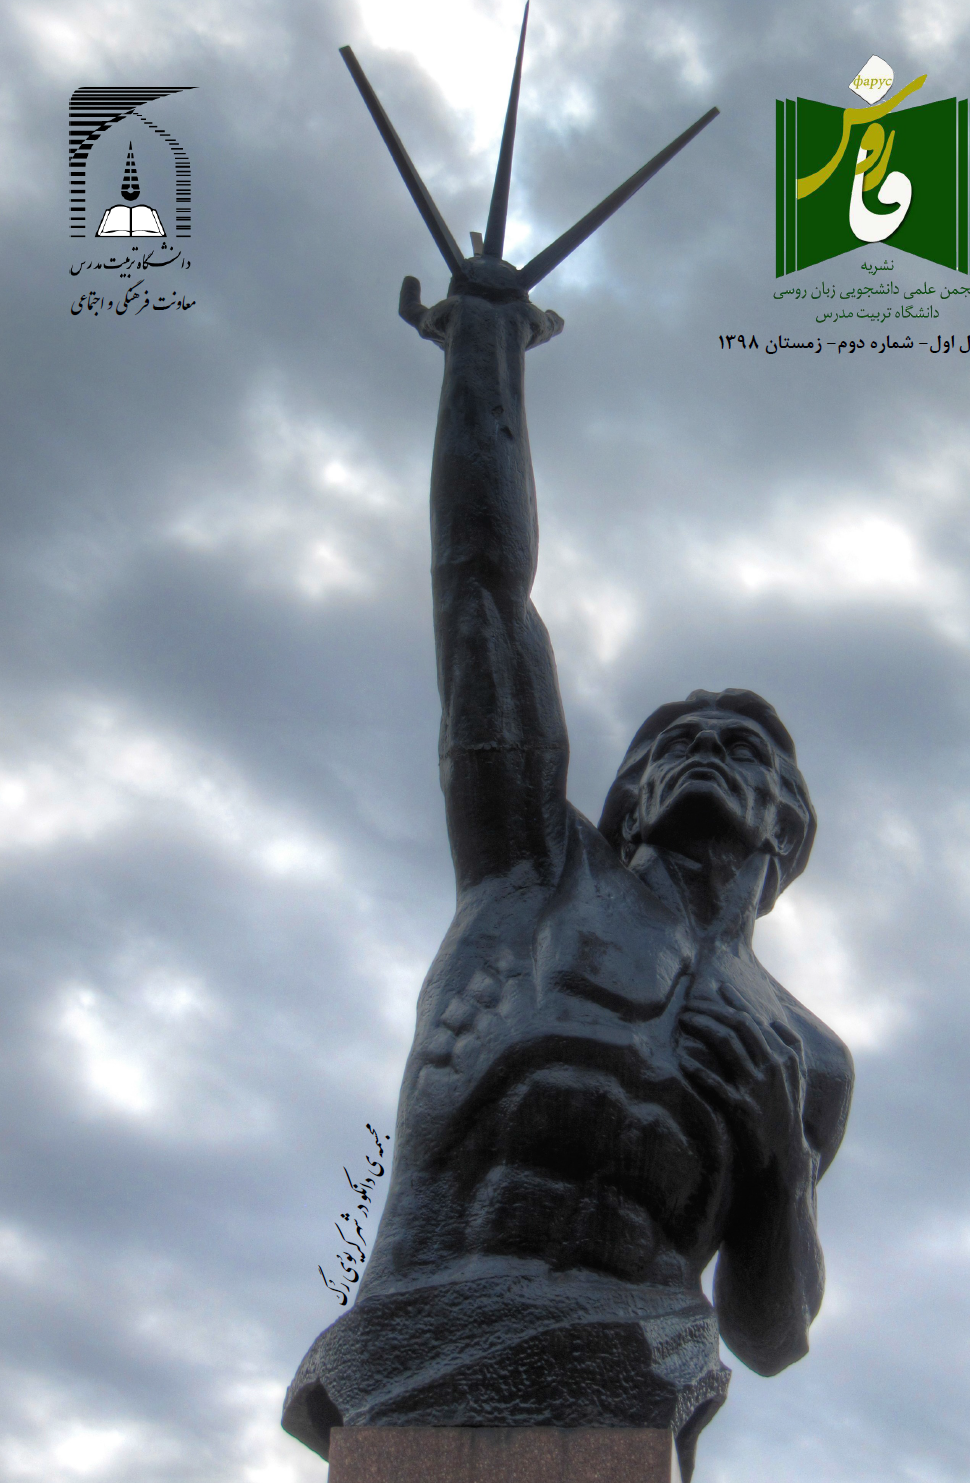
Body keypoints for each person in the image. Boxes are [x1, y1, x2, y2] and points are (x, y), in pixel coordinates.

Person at [284, 263, 854, 1480]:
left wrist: (774, 1150)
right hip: (430, 1334)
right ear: (627, 795)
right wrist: (483, 350)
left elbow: (771, 1333)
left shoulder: (807, 1057)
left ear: (785, 833)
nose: (701, 750)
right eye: (668, 744)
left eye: (743, 749)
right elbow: (483, 593)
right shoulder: (536, 868)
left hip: (636, 1359)